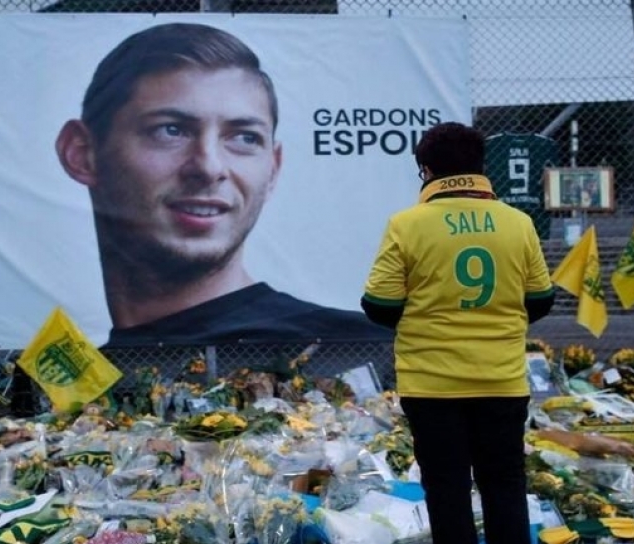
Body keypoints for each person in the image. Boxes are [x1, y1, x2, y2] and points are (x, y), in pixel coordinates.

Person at [55, 22, 387, 347]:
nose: (209, 167)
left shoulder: (360, 353)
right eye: (170, 130)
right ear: (82, 154)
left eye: (244, 137)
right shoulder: (70, 387)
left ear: (272, 169)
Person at [361, 122, 554, 544]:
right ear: (480, 166)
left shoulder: (408, 224)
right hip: (502, 379)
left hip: (432, 384)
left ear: (425, 169)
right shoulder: (517, 222)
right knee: (505, 487)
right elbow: (540, 299)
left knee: (446, 490)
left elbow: (379, 304)